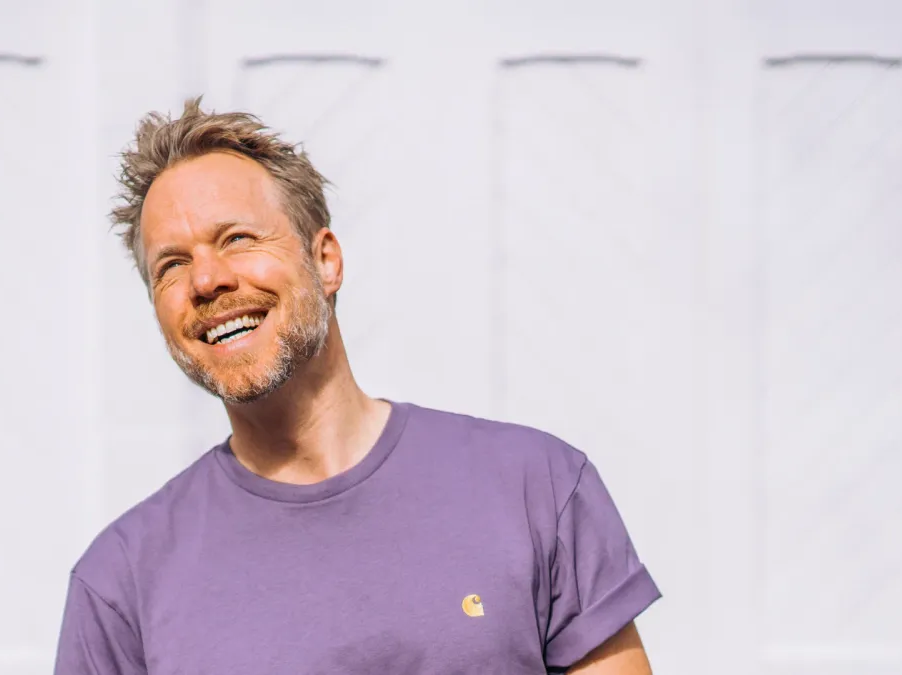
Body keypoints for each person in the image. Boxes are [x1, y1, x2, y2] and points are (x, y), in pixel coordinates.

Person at [52, 97, 661, 674]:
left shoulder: (536, 486)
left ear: (326, 261)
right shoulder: (120, 585)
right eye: (172, 265)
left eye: (236, 239)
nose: (207, 280)